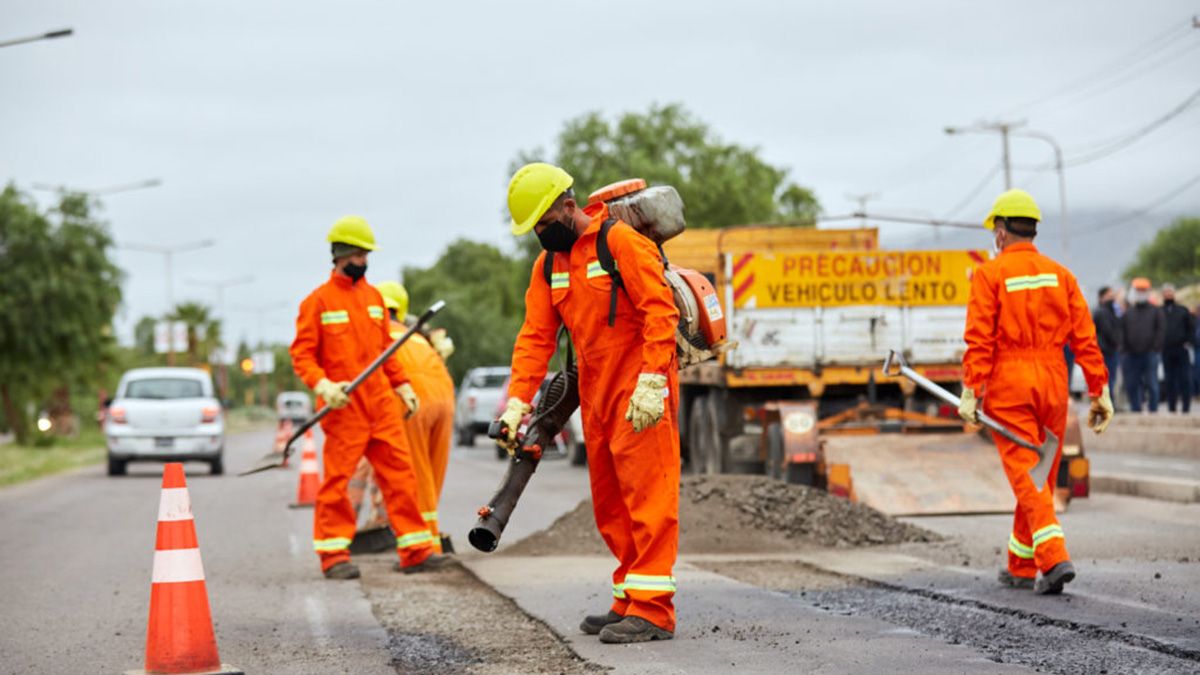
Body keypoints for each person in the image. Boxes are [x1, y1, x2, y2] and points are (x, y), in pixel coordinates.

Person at [498, 163, 680, 643]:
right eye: (534, 229)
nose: (541, 234)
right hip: (596, 393)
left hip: (640, 389)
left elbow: (660, 311)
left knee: (648, 496)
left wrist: (652, 380)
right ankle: (629, 598)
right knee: (611, 504)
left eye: (544, 222)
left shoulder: (618, 243)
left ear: (569, 206)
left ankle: (654, 611)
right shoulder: (549, 267)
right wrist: (517, 403)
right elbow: (535, 338)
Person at [959, 189, 1111, 596]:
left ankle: (1054, 558)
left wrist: (972, 389)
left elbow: (979, 339)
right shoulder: (1061, 275)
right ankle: (1021, 565)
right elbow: (1085, 338)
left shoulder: (989, 275)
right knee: (1038, 476)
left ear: (1001, 232)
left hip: (1010, 384)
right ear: (1033, 230)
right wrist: (1099, 390)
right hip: (1053, 383)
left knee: (1029, 475)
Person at [290, 215, 452, 579]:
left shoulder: (374, 299)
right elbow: (302, 355)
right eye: (359, 255)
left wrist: (402, 385)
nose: (364, 261)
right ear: (340, 254)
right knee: (338, 483)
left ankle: (415, 551)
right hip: (344, 408)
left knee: (401, 477)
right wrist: (323, 385)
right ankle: (333, 557)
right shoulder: (318, 303)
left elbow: (386, 352)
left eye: (366, 255)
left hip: (380, 405)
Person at [377, 280, 458, 552]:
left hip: (411, 400)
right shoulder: (415, 336)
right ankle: (431, 539)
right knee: (431, 477)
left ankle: (424, 547)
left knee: (415, 477)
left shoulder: (377, 334)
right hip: (444, 397)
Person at [1120, 278, 1164, 413]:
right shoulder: (1128, 313)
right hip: (1131, 354)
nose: (1140, 293)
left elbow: (1160, 330)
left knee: (1152, 383)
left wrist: (1155, 347)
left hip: (1150, 353)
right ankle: (1136, 409)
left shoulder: (1155, 311)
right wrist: (1125, 349)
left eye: (1143, 290)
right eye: (1138, 290)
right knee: (1132, 384)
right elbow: (1122, 331)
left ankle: (1153, 409)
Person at [1161, 284, 1195, 413]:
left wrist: (1189, 342)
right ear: (1163, 295)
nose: (1168, 295)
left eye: (1170, 292)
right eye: (1166, 293)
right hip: (1166, 350)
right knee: (1169, 379)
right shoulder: (1159, 311)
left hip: (1181, 349)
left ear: (1174, 294)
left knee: (1185, 378)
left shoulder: (1182, 310)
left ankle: (1186, 407)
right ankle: (1172, 407)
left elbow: (1191, 328)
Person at [1091, 286, 1122, 396]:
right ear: (1102, 297)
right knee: (1107, 380)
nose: (1112, 298)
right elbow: (1107, 331)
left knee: (1110, 379)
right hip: (1105, 350)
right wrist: (1117, 342)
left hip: (1109, 349)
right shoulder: (1102, 312)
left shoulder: (1111, 311)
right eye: (1109, 295)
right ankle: (1107, 402)